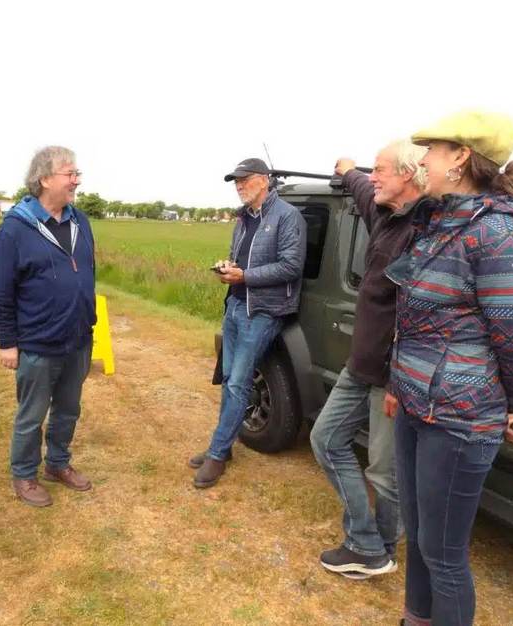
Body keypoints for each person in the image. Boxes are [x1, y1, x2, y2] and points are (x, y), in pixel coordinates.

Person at [386, 111, 513, 626]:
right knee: (418, 537)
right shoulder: (442, 220)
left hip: (460, 420)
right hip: (419, 406)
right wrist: (400, 383)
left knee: (444, 554)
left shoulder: (501, 233)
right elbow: (419, 320)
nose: (424, 160)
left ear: (460, 157)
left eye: (433, 150)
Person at [310, 140, 426, 579]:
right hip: (360, 366)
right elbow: (360, 185)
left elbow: (422, 318)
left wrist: (399, 381)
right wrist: (346, 169)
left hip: (391, 376)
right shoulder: (384, 213)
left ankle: (375, 550)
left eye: (380, 170)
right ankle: (368, 541)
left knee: (385, 473)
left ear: (410, 176)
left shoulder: (426, 232)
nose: (372, 176)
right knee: (325, 440)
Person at [0, 146, 96, 508]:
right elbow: (1, 291)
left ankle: (58, 464)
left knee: (69, 409)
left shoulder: (81, 221)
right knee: (31, 415)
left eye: (76, 173)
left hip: (78, 338)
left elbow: (86, 273)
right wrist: (7, 342)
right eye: (70, 173)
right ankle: (24, 474)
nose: (76, 180)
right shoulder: (14, 229)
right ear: (45, 178)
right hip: (36, 343)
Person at [190, 158, 306, 489]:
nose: (239, 186)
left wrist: (245, 275)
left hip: (265, 311)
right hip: (236, 307)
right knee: (229, 379)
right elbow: (242, 260)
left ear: (264, 181)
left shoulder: (287, 216)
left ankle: (217, 453)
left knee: (240, 381)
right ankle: (223, 448)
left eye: (244, 180)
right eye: (235, 182)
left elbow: (290, 266)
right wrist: (230, 267)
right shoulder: (243, 219)